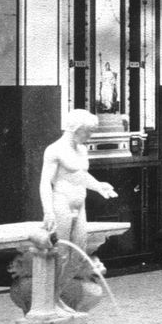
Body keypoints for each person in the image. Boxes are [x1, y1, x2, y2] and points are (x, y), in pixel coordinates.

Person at [38, 109, 117, 310]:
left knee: (79, 254)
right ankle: (50, 302)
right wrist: (48, 211)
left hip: (79, 205)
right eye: (88, 131)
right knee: (62, 253)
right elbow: (45, 182)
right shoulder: (54, 150)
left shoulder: (81, 149)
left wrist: (99, 186)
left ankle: (56, 297)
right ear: (76, 129)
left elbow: (80, 176)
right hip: (61, 202)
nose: (90, 136)